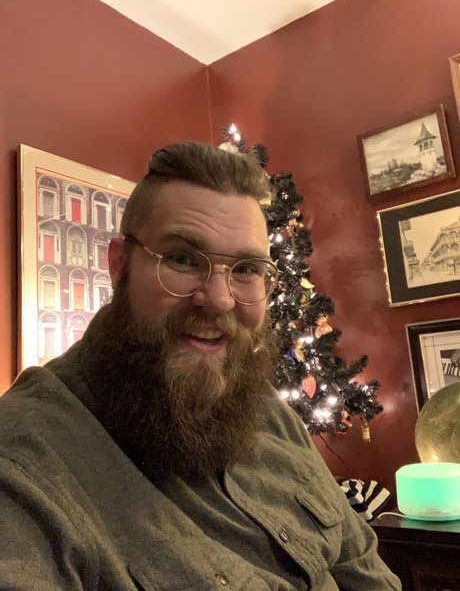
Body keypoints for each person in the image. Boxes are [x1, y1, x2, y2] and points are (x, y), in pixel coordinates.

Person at [0, 141, 401, 590]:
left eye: (246, 268)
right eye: (183, 259)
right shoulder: (24, 464)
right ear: (119, 266)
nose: (219, 299)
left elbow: (362, 567)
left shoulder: (270, 412)